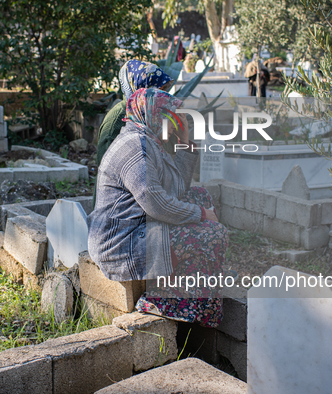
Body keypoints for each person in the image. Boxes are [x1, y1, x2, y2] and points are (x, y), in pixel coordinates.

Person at [88, 87, 229, 328]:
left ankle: (196, 283)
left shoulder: (149, 139)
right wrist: (201, 215)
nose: (175, 124)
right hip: (123, 243)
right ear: (154, 115)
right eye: (172, 118)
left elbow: (179, 191)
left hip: (141, 228)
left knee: (200, 195)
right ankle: (164, 300)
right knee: (213, 234)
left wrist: (184, 141)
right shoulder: (136, 147)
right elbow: (157, 203)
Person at [96, 60, 175, 168]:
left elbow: (169, 154)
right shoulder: (116, 122)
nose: (159, 96)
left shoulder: (153, 115)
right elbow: (107, 168)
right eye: (155, 90)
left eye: (162, 90)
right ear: (139, 88)